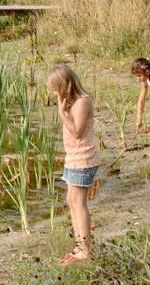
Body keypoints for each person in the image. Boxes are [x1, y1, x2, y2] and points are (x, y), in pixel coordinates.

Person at [48, 64, 100, 265]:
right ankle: (80, 244)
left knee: (79, 203)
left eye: (55, 88)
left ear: (64, 86)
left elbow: (77, 132)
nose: (53, 93)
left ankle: (86, 249)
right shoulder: (72, 104)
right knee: (71, 201)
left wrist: (62, 113)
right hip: (73, 157)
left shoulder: (82, 103)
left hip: (83, 158)